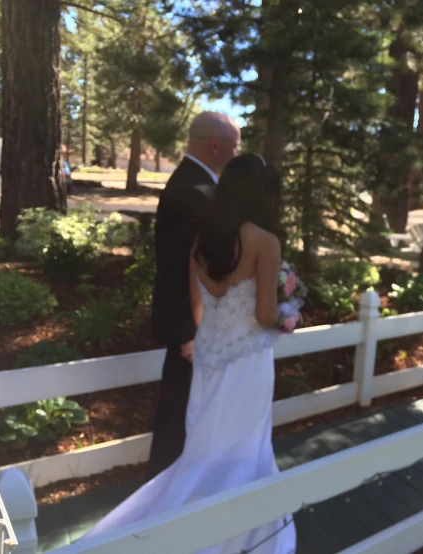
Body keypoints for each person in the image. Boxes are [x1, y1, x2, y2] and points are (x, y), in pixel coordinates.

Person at [83, 154, 296, 554]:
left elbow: (197, 307)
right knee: (244, 445)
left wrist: (215, 334)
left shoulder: (202, 240)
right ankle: (238, 532)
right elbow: (264, 313)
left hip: (209, 357)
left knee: (204, 444)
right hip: (248, 360)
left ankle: (189, 519)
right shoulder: (265, 241)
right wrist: (285, 315)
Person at [149, 112, 241, 479]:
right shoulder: (194, 193)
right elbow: (181, 267)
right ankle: (162, 496)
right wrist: (188, 330)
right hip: (190, 327)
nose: (236, 155)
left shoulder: (195, 185)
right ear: (215, 145)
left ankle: (177, 488)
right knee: (178, 415)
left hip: (196, 323)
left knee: (188, 414)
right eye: (234, 147)